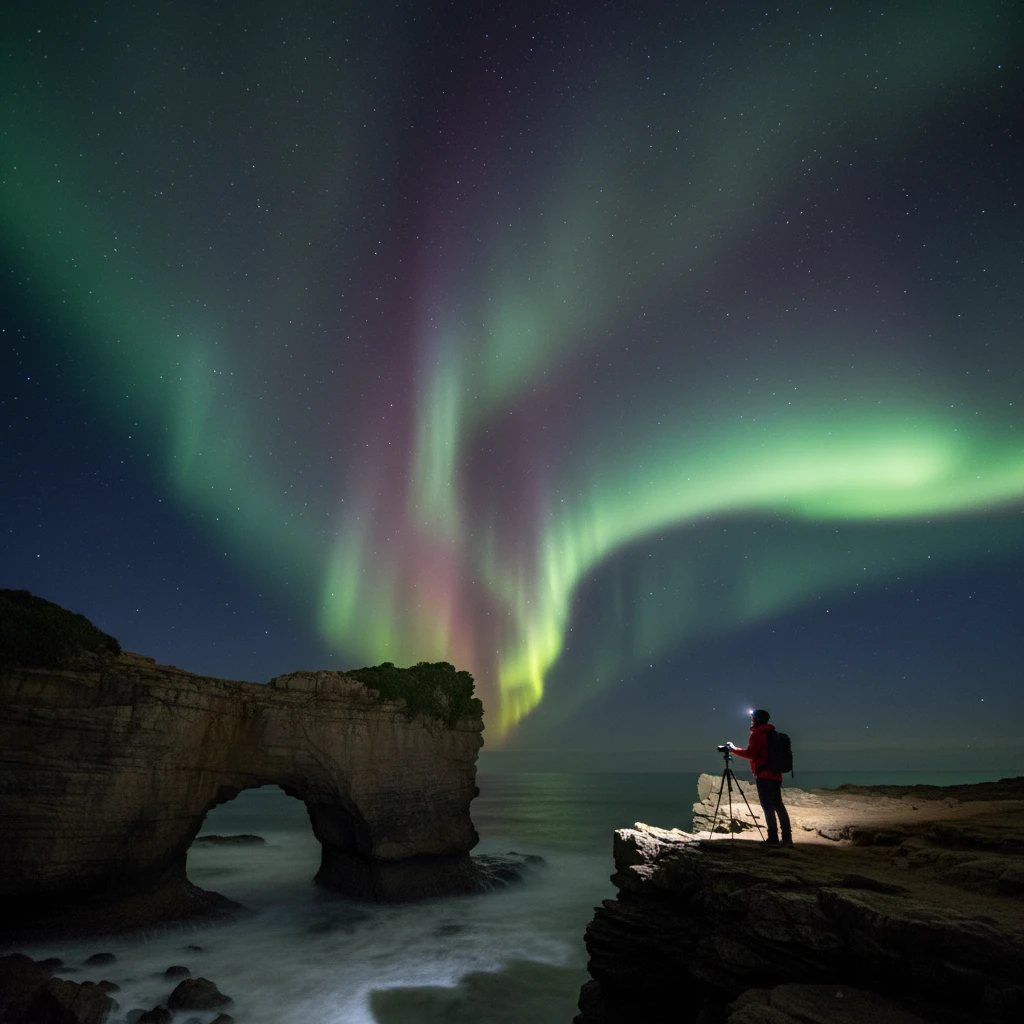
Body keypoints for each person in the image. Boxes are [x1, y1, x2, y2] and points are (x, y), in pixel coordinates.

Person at [728, 709, 792, 845]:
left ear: (757, 719)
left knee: (768, 807)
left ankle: (773, 838)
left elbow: (751, 754)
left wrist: (733, 749)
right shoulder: (772, 733)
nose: (751, 720)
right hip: (776, 774)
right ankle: (787, 838)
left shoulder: (758, 734)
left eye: (752, 718)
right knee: (778, 806)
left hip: (764, 775)